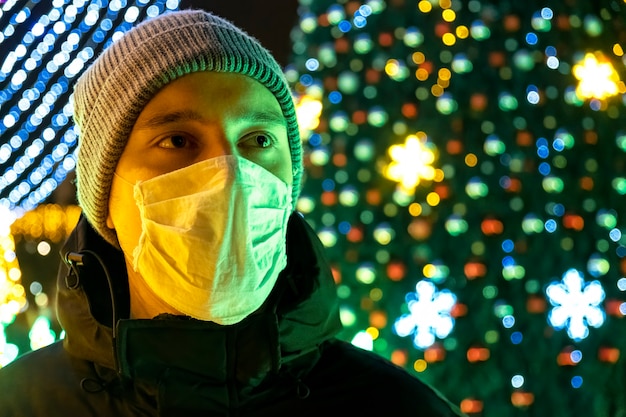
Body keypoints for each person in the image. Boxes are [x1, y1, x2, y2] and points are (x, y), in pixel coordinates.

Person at [0, 10, 465, 417]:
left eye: (259, 141)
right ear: (105, 195)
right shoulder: (20, 405)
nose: (230, 175)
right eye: (178, 141)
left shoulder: (393, 408)